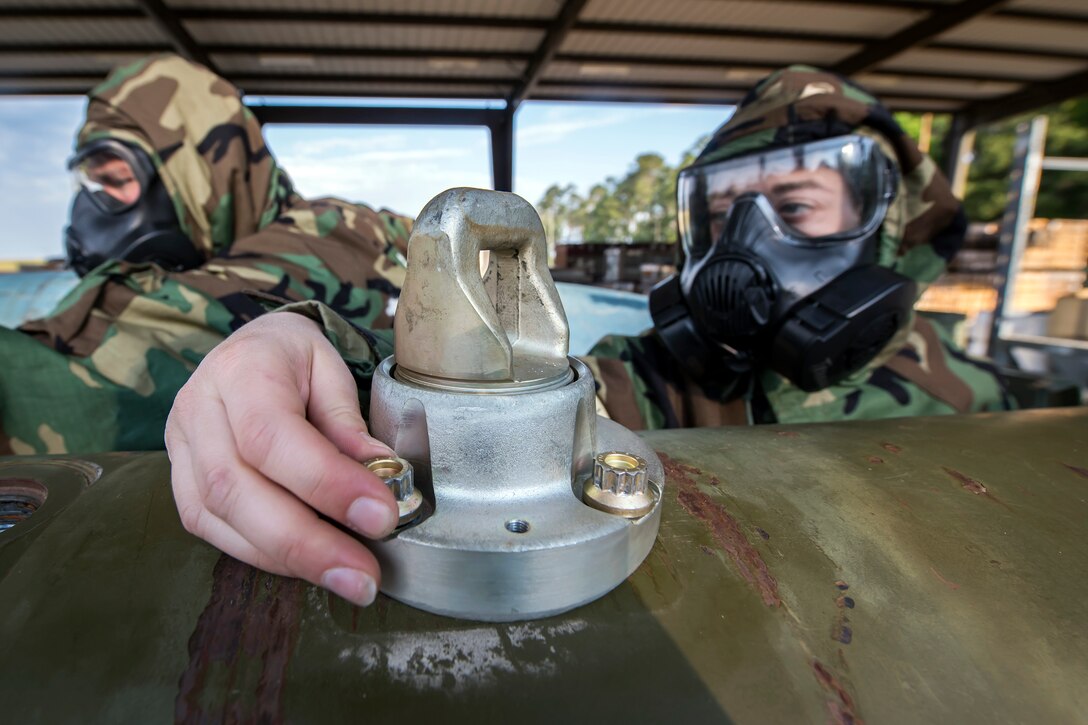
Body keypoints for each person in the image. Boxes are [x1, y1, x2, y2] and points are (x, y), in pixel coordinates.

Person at [163, 66, 1014, 607]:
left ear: (886, 229)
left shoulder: (988, 409)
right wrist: (298, 350)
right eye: (720, 218)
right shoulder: (653, 386)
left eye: (792, 210)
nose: (744, 247)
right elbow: (495, 408)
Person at [0, 54, 412, 456]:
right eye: (89, 184)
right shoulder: (358, 225)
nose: (91, 208)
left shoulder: (283, 261)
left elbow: (77, 372)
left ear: (197, 174)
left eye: (115, 179)